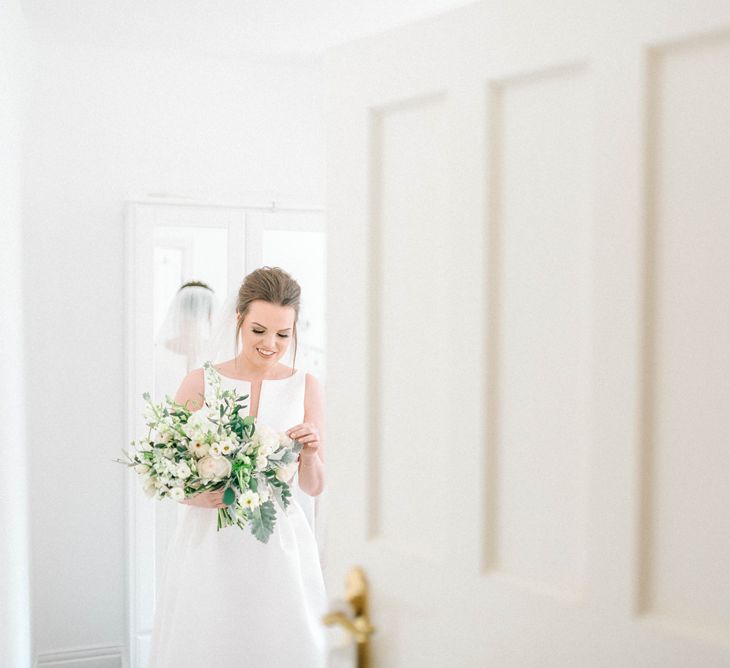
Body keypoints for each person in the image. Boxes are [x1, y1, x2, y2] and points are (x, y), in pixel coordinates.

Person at [148, 266, 329, 667]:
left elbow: (314, 488)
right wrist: (196, 496)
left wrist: (311, 453)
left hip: (279, 542)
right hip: (211, 538)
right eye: (259, 330)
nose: (270, 344)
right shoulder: (201, 382)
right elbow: (166, 469)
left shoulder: (307, 386)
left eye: (284, 334)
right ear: (239, 319)